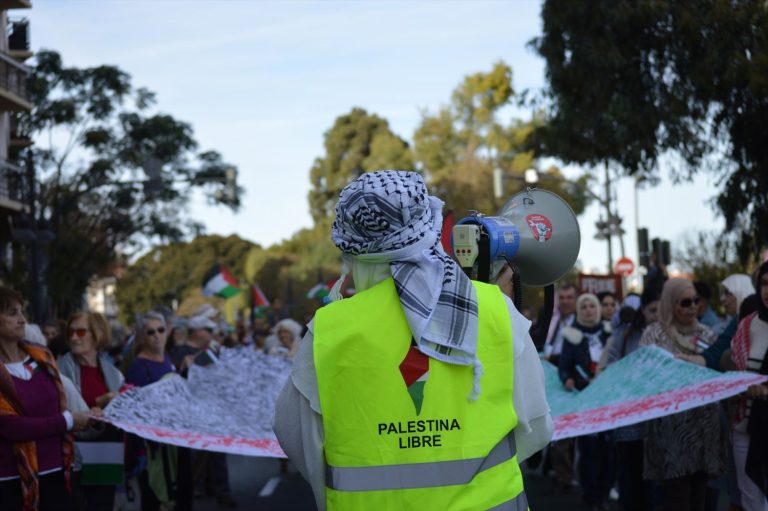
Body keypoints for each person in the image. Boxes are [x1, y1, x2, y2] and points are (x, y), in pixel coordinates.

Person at [274, 170, 552, 510]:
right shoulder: (495, 309)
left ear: (350, 248)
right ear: (430, 227)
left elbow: (294, 435)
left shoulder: (329, 328)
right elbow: (537, 425)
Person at [0, 286, 98, 511]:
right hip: (12, 483)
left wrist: (91, 413)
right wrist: (69, 420)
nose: (23, 320)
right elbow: (11, 427)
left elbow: (62, 404)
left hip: (57, 474)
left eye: (22, 312)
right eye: (12, 313)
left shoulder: (42, 358)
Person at [640, 278, 726, 511]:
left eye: (696, 301)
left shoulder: (708, 335)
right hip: (671, 427)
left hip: (704, 426)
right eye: (685, 302)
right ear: (669, 303)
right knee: (676, 496)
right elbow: (644, 375)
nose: (692, 307)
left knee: (701, 493)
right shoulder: (655, 335)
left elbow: (718, 369)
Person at [56, 311, 124, 511]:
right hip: (73, 451)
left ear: (97, 334)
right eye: (70, 332)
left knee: (102, 504)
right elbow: (60, 407)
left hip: (106, 450)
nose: (73, 337)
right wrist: (99, 401)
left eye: (81, 331)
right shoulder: (58, 369)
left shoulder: (113, 373)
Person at [125, 312, 191, 511]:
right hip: (154, 448)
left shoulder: (167, 359)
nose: (157, 335)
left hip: (177, 439)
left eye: (161, 330)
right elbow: (137, 409)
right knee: (155, 500)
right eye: (150, 332)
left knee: (182, 496)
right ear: (142, 336)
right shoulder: (138, 366)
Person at [605, 285, 662, 511]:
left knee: (655, 487)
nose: (656, 315)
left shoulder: (668, 332)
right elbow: (612, 366)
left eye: (661, 309)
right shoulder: (627, 333)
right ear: (643, 311)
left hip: (658, 424)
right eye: (652, 310)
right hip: (630, 422)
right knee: (630, 479)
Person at [173, 315, 236, 508]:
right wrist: (183, 367)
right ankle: (195, 486)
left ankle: (221, 490)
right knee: (195, 452)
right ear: (197, 331)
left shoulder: (212, 351)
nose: (211, 334)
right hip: (191, 411)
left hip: (213, 407)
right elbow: (174, 380)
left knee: (218, 450)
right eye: (208, 330)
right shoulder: (180, 351)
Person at [558, 293, 614, 510]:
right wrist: (568, 379)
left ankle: (604, 493)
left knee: (608, 450)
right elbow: (564, 366)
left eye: (592, 306)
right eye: (585, 306)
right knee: (589, 450)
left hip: (608, 399)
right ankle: (591, 496)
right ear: (579, 311)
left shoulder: (609, 332)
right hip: (584, 398)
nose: (589, 310)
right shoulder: (571, 335)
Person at [730, 261, 768, 511]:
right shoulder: (747, 325)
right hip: (745, 424)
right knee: (751, 500)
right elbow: (734, 366)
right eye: (764, 283)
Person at [678, 274, 755, 371]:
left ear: (741, 291)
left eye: (728, 293)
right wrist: (696, 359)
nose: (722, 299)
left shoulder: (713, 325)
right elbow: (718, 350)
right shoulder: (733, 322)